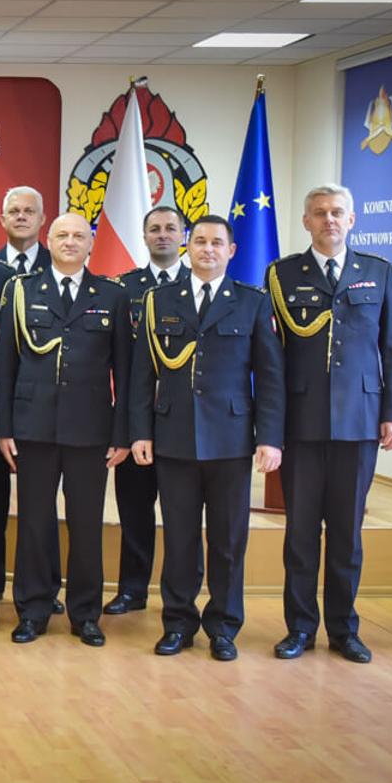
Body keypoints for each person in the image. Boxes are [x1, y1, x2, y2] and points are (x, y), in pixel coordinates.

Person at [130, 214, 285, 662]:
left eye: (218, 242)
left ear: (231, 251)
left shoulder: (252, 303)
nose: (208, 249)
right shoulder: (159, 300)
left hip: (232, 441)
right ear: (187, 246)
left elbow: (270, 378)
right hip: (174, 436)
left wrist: (270, 438)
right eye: (199, 241)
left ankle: (223, 626)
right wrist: (140, 431)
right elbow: (142, 374)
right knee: (179, 537)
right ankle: (177, 622)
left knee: (228, 540)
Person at [266, 184, 392, 664]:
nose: (329, 220)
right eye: (320, 213)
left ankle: (345, 631)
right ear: (306, 221)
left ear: (353, 220)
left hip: (360, 423)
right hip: (301, 424)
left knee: (347, 535)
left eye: (338, 213)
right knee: (301, 534)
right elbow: (271, 358)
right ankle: (300, 629)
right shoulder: (283, 275)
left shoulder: (377, 272)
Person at [0, 213, 133, 647]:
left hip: (90, 430)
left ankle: (85, 613)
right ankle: (33, 609)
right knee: (35, 523)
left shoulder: (112, 294)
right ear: (47, 240)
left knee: (86, 524)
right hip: (32, 427)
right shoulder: (21, 290)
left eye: (78, 236)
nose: (70, 242)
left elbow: (125, 373)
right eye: (62, 235)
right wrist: (3, 427)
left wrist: (122, 432)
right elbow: (5, 365)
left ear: (90, 244)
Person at [0, 186, 57, 621]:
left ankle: (42, 588)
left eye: (29, 211)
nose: (21, 217)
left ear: (43, 219)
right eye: (13, 211)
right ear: (0, 219)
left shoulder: (58, 264)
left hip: (44, 407)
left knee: (39, 506)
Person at [107, 205, 188, 616]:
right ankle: (132, 590)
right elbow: (119, 364)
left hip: (185, 424)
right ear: (143, 236)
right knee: (135, 511)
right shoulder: (124, 289)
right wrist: (122, 431)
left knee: (181, 516)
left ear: (183, 236)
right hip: (137, 418)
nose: (162, 235)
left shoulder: (200, 285)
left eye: (170, 228)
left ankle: (179, 596)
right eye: (154, 229)